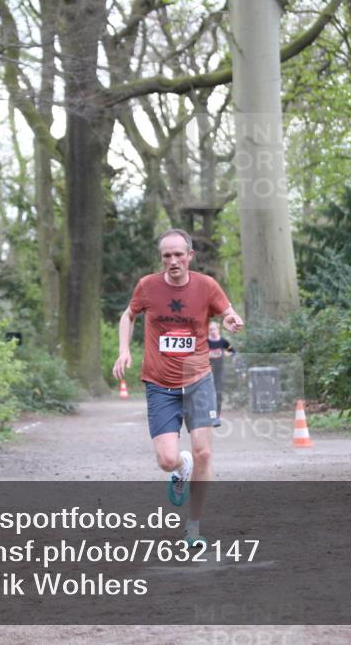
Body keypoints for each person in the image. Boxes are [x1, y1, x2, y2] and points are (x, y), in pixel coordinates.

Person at [113, 228, 244, 546]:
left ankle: (193, 527)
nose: (173, 261)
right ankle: (181, 467)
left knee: (204, 452)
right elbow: (128, 316)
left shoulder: (206, 285)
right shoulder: (148, 286)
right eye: (167, 256)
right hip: (160, 384)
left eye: (178, 255)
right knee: (166, 460)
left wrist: (230, 319)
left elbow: (227, 311)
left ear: (190, 256)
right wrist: (124, 350)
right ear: (162, 258)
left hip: (198, 380)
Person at [207, 321, 235, 415]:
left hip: (219, 371)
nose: (212, 331)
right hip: (208, 372)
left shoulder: (223, 341)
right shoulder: (206, 342)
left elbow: (232, 351)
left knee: (218, 392)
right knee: (208, 392)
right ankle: (209, 412)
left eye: (214, 329)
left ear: (218, 330)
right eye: (210, 329)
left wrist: (227, 353)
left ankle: (217, 413)